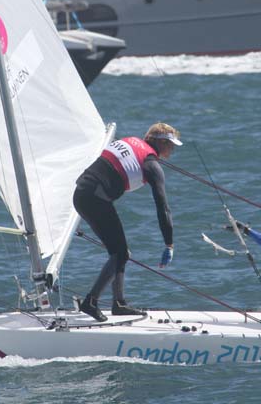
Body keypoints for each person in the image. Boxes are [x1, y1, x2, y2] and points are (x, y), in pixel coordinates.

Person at [73, 123, 182, 322]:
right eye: (170, 144)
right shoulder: (152, 165)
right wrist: (169, 243)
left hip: (81, 194)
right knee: (121, 253)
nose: (172, 149)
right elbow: (163, 207)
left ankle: (119, 304)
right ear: (160, 142)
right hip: (95, 199)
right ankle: (91, 301)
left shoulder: (131, 141)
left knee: (120, 253)